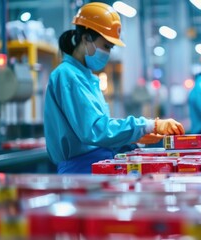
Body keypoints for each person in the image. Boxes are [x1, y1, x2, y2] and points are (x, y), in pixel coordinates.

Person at [44, 2, 185, 174]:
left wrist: (133, 139)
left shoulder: (87, 77)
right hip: (81, 169)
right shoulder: (67, 75)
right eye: (106, 46)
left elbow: (100, 131)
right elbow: (94, 130)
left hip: (97, 164)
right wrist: (147, 125)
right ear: (86, 38)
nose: (108, 53)